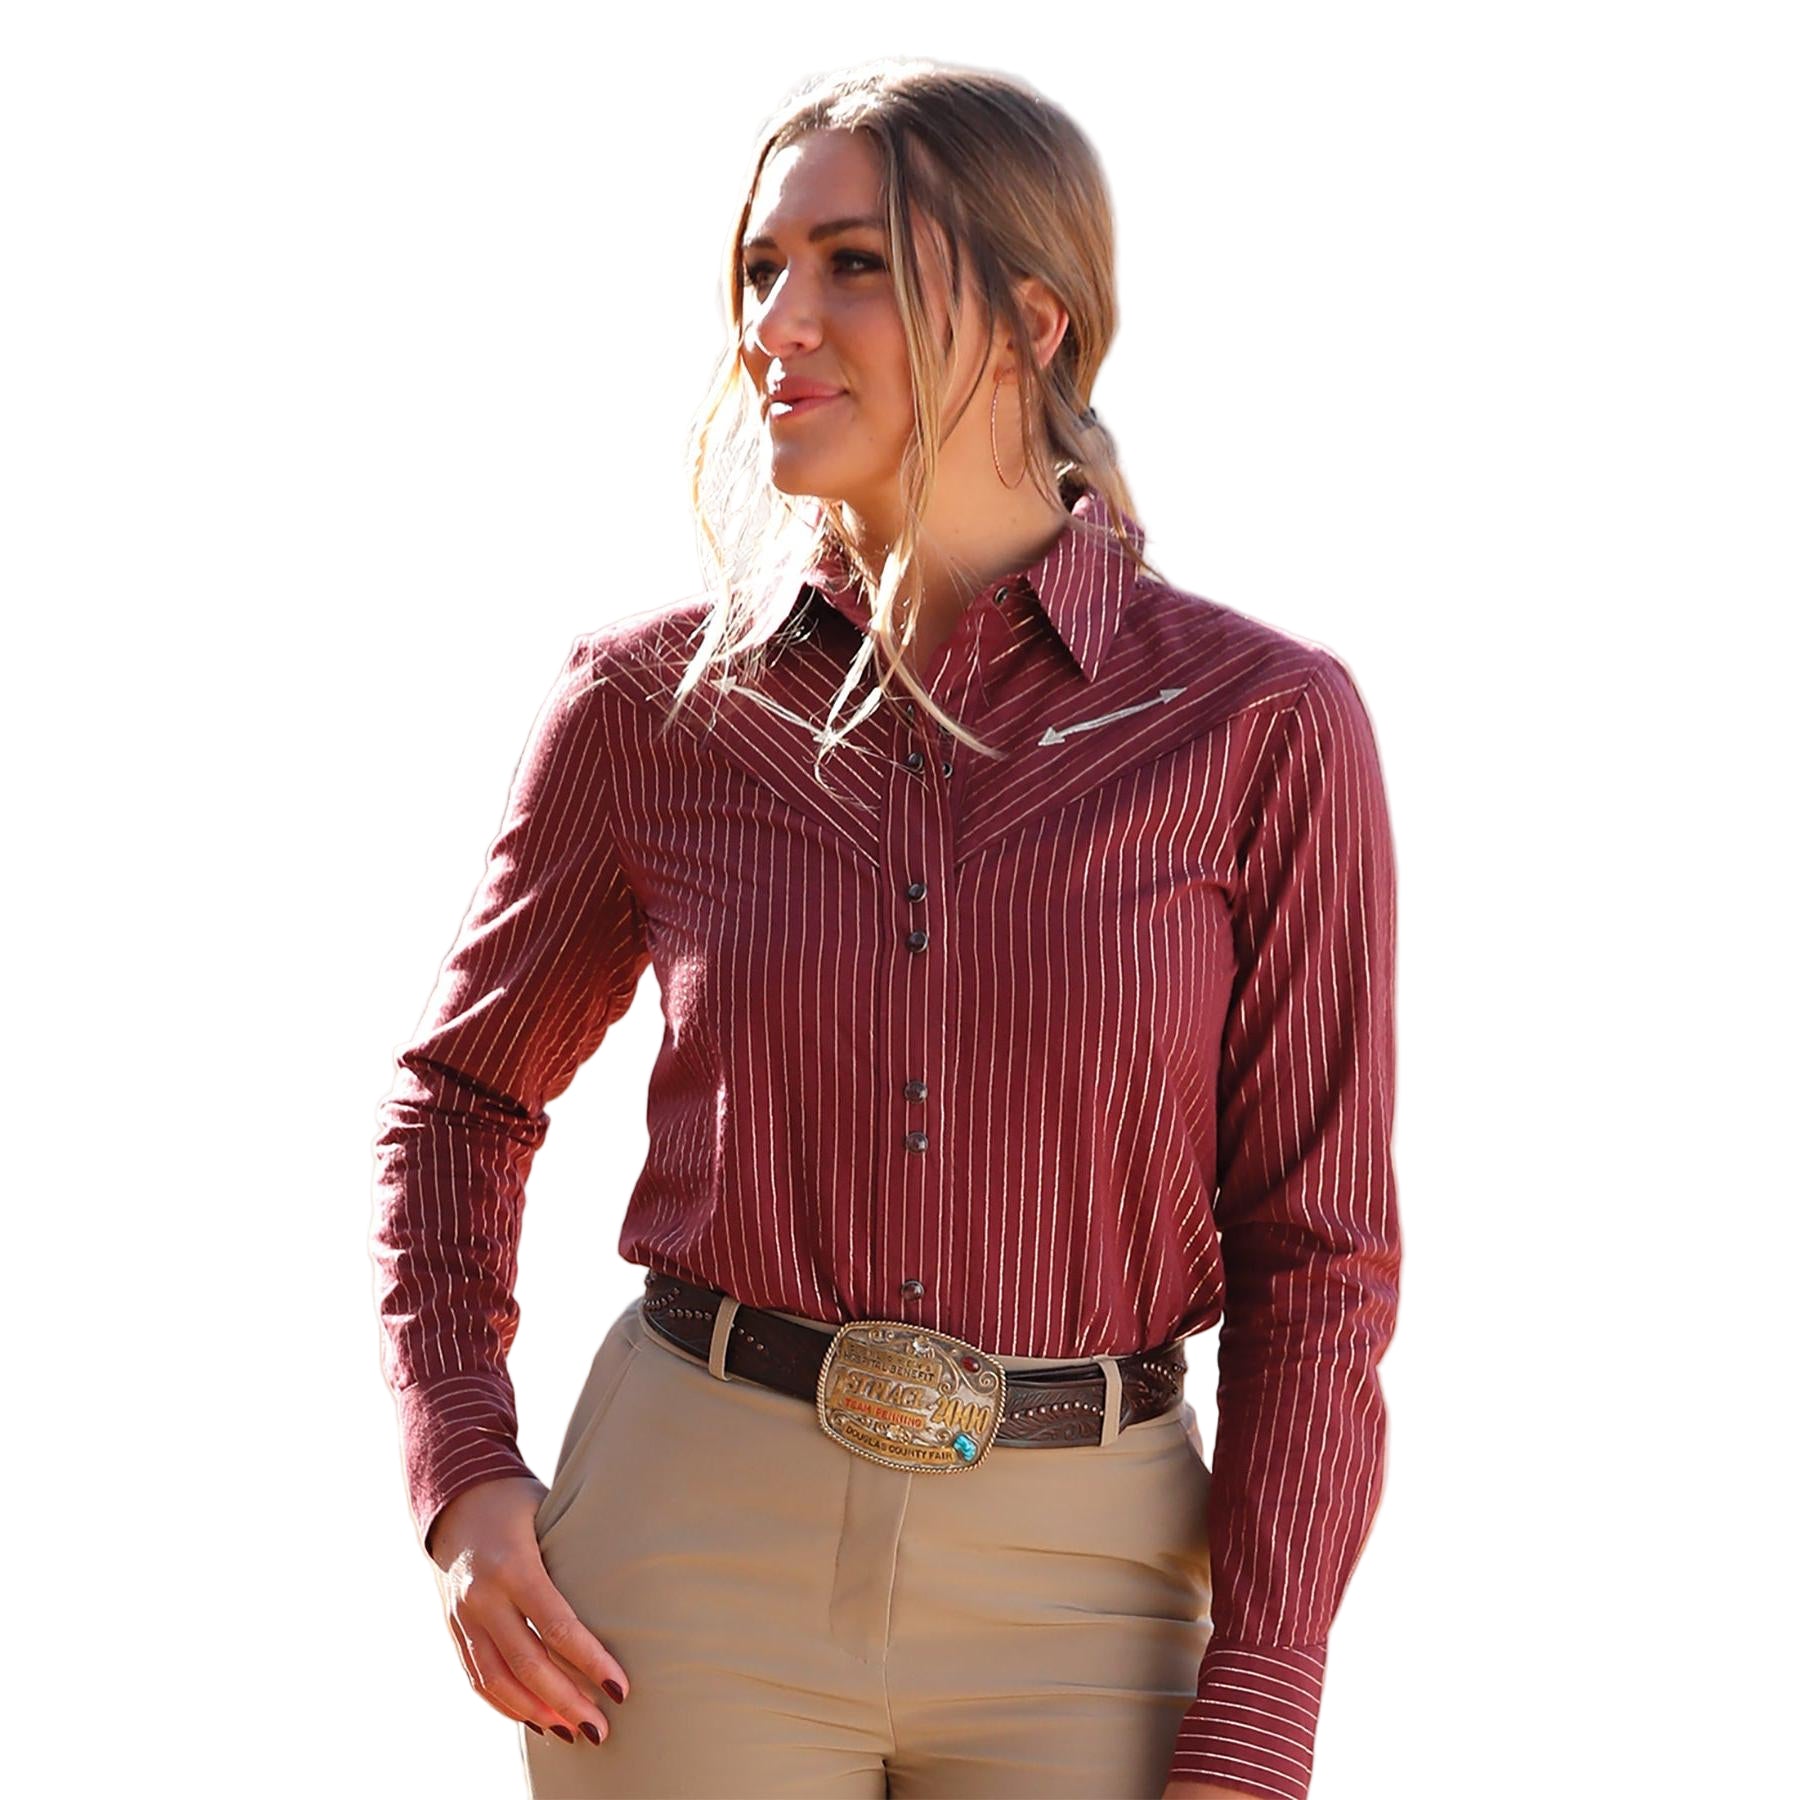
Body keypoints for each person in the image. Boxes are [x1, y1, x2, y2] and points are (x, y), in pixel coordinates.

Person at [369, 55, 1401, 1800]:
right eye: (760, 268)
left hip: (1094, 1584)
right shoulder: (647, 707)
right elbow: (461, 1100)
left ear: (1034, 322)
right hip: (687, 1557)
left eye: (852, 264)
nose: (777, 322)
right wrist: (464, 1477)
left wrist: (1267, 1689)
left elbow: (1320, 1256)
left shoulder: (1261, 725)